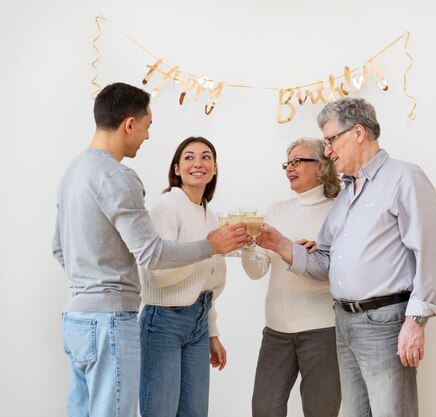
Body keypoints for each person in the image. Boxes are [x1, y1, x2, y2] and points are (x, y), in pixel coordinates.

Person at [52, 82, 249, 417]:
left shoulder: (73, 172)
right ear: (130, 124)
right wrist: (210, 246)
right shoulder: (119, 177)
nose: (146, 136)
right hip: (111, 319)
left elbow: (59, 249)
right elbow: (152, 255)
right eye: (147, 126)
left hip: (77, 318)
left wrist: (90, 281)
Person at [257, 97, 436, 417]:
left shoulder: (405, 179)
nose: (328, 151)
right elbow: (327, 262)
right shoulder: (346, 195)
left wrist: (416, 320)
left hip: (385, 323)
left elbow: (430, 255)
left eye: (331, 140)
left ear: (358, 132)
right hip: (344, 323)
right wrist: (281, 245)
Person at [241, 138, 342, 417]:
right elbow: (257, 271)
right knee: (264, 410)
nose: (289, 168)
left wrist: (309, 254)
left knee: (320, 412)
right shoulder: (276, 209)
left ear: (321, 167)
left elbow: (341, 272)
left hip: (322, 331)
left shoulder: (338, 210)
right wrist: (249, 248)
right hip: (275, 331)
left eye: (298, 161)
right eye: (288, 163)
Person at [139, 136, 228, 417]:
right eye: (189, 157)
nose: (198, 163)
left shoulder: (210, 215)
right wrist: (208, 248)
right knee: (160, 411)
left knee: (195, 413)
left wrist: (212, 332)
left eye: (206, 157)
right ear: (176, 169)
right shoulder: (168, 205)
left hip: (199, 322)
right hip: (164, 321)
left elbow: (209, 284)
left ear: (214, 168)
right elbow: (158, 274)